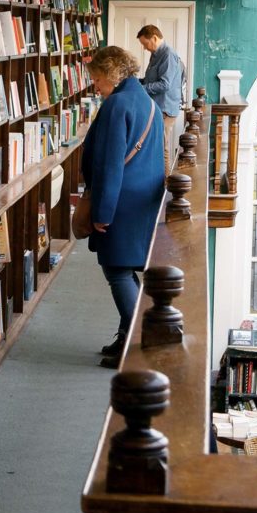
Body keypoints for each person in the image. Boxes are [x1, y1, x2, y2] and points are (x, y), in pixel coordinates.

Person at [80, 46, 165, 369]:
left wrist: (103, 212)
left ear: (113, 74)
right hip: (143, 201)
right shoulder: (147, 101)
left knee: (117, 271)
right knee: (128, 269)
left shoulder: (118, 104)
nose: (96, 87)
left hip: (122, 202)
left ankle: (138, 341)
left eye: (98, 79)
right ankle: (125, 335)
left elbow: (111, 164)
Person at [136, 25, 183, 177]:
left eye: (145, 44)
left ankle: (166, 185)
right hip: (158, 107)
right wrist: (135, 82)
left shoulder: (168, 54)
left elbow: (164, 84)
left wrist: (140, 89)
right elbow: (151, 80)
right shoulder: (156, 54)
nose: (144, 48)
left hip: (165, 109)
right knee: (155, 146)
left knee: (162, 148)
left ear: (154, 38)